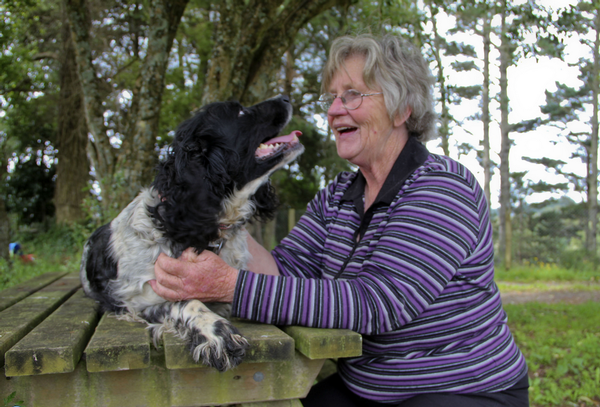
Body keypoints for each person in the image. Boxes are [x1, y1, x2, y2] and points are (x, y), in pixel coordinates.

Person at [149, 33, 529, 406]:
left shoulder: (442, 188)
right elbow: (283, 271)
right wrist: (215, 206)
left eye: (352, 95)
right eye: (331, 97)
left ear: (402, 108)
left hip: (460, 388)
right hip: (367, 388)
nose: (333, 110)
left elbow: (379, 303)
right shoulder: (338, 195)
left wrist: (230, 286)